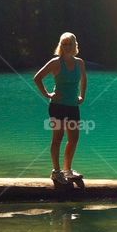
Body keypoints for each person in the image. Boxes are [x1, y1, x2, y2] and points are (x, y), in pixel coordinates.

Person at [34, 32, 87, 183]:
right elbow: (37, 78)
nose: (67, 46)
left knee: (74, 139)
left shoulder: (80, 63)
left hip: (72, 107)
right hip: (57, 107)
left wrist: (82, 96)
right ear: (60, 46)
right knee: (58, 138)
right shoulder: (56, 62)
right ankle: (56, 172)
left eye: (69, 43)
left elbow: (84, 80)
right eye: (64, 44)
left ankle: (68, 170)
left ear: (74, 45)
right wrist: (47, 94)